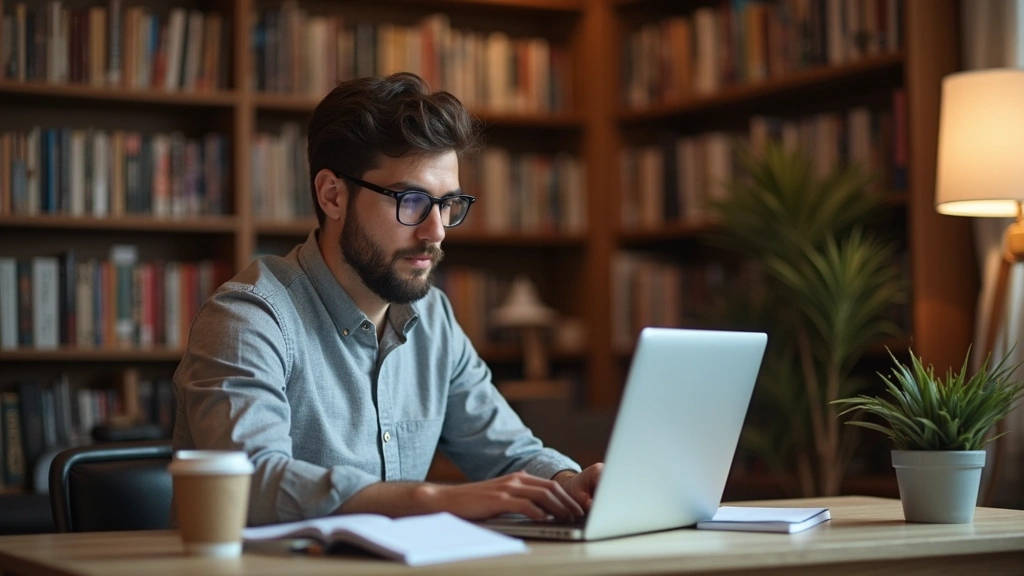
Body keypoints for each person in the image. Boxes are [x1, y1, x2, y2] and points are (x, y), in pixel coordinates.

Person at [172, 72, 603, 526]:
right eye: (411, 200)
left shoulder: (433, 317)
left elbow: (506, 451)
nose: (435, 231)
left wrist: (567, 483)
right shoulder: (249, 317)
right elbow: (249, 484)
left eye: (448, 204)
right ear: (332, 195)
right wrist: (433, 500)